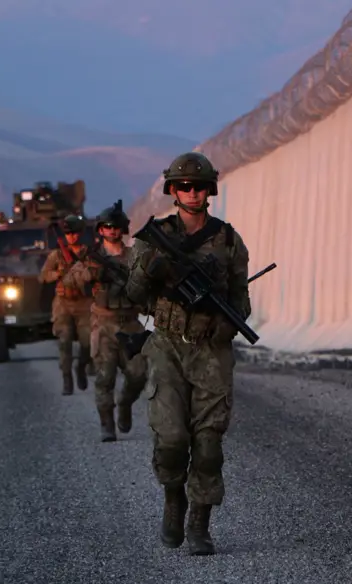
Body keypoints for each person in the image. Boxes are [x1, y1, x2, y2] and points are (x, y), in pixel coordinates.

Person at [125, 152, 251, 556]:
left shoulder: (229, 240)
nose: (192, 192)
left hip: (210, 350)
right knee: (172, 438)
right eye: (184, 186)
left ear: (209, 190)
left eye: (198, 186)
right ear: (173, 190)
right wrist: (152, 268)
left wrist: (227, 323)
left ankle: (200, 523)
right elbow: (134, 295)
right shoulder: (153, 238)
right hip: (166, 345)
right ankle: (173, 496)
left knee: (209, 442)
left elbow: (240, 300)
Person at [62, 201, 148, 442]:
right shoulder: (93, 258)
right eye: (107, 227)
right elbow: (69, 280)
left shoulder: (134, 257)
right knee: (104, 377)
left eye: (116, 226)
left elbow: (149, 285)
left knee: (139, 374)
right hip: (104, 324)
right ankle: (107, 424)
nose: (112, 230)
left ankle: (125, 404)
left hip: (131, 323)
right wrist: (91, 273)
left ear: (123, 229)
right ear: (100, 230)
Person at [38, 214, 93, 395]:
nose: (72, 237)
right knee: (65, 341)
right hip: (63, 304)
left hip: (85, 304)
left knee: (88, 342)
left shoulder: (89, 253)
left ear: (81, 233)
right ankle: (67, 378)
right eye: (68, 233)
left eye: (75, 233)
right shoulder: (57, 255)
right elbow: (43, 276)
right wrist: (58, 274)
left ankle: (81, 367)